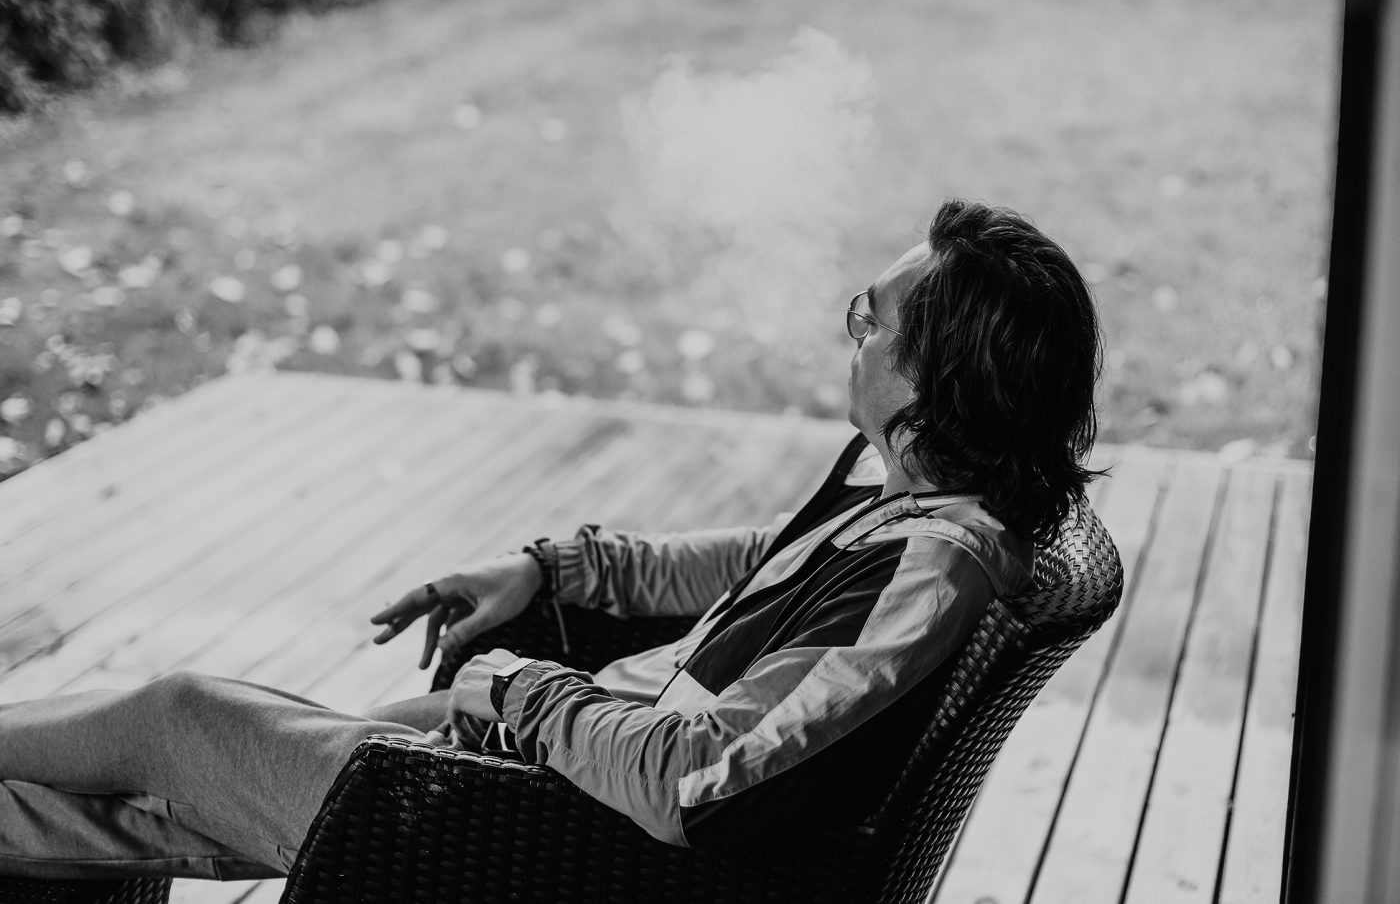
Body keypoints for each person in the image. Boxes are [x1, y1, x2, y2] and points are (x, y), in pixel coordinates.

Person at [0, 198, 1102, 880]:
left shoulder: (925, 569)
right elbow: (746, 564)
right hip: (540, 783)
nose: (849, 334)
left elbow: (697, 780)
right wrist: (550, 568)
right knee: (127, 804)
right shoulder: (915, 511)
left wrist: (519, 689)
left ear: (933, 380)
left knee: (181, 716)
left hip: (549, 829)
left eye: (872, 320)